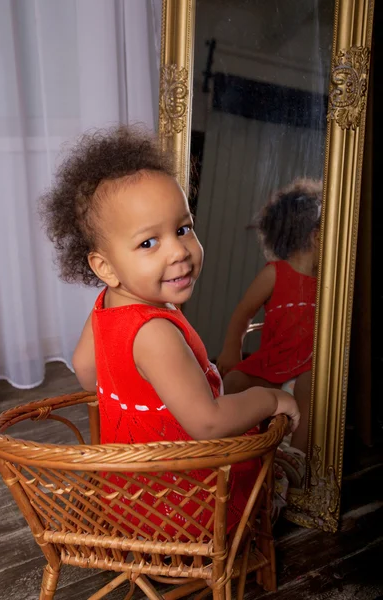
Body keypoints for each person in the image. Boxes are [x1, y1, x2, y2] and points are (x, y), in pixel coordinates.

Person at [40, 125, 299, 536]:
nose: (179, 250)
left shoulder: (107, 305)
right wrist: (267, 399)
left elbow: (85, 370)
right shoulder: (155, 332)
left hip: (128, 494)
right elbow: (208, 424)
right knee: (276, 466)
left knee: (230, 391)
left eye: (182, 229)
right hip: (181, 504)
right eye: (148, 243)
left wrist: (138, 392)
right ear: (104, 266)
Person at [216, 178, 322, 486]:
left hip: (306, 365)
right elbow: (242, 312)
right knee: (233, 381)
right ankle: (234, 453)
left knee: (310, 383)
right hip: (272, 363)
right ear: (317, 237)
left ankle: (296, 459)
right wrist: (231, 347)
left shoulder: (327, 281)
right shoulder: (275, 273)